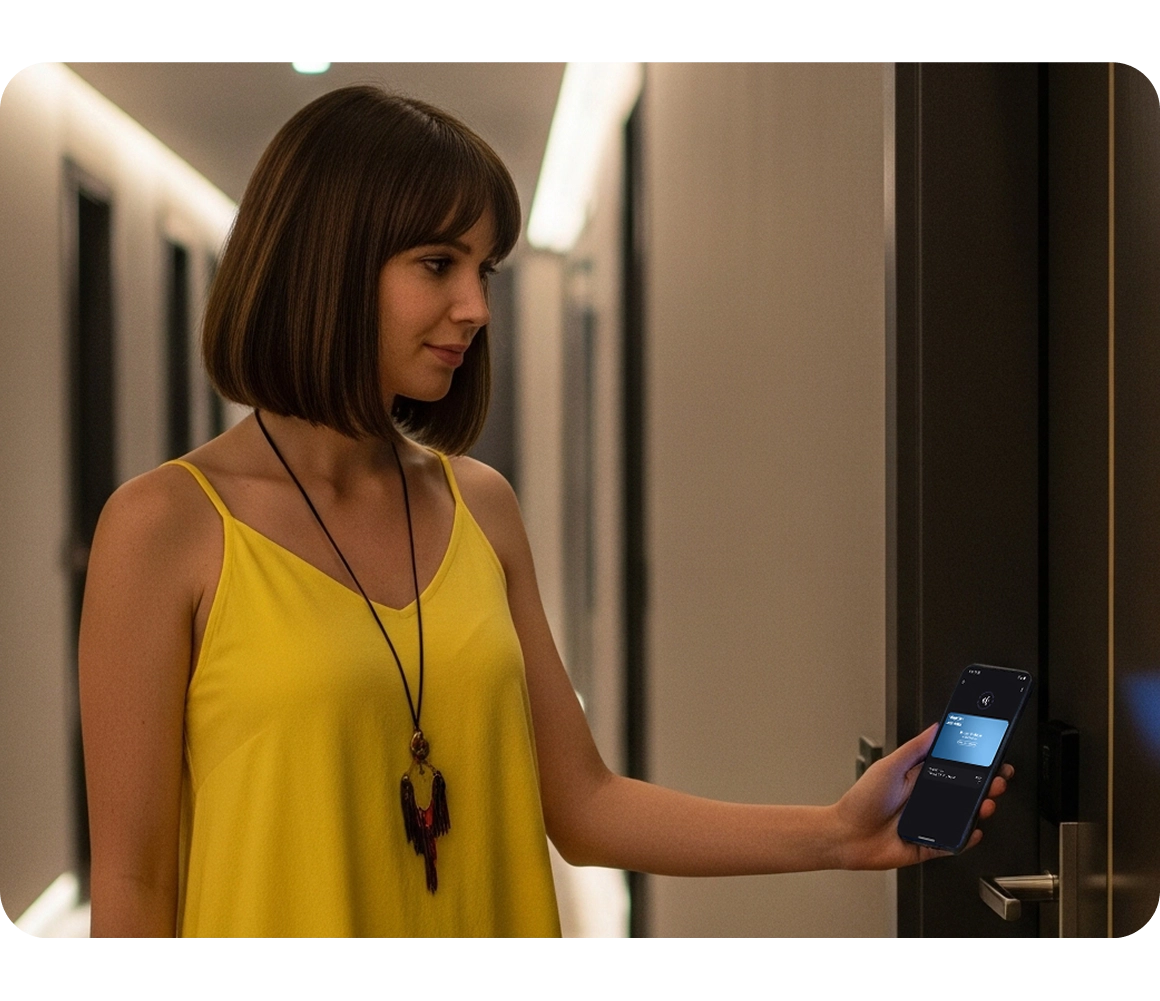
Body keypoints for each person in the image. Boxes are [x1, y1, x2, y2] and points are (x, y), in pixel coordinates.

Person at [78, 85, 1013, 940]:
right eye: (437, 263)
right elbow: (133, 881)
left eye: (484, 268)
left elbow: (583, 804)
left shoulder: (478, 506)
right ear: (325, 263)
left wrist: (838, 832)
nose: (475, 307)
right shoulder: (165, 527)